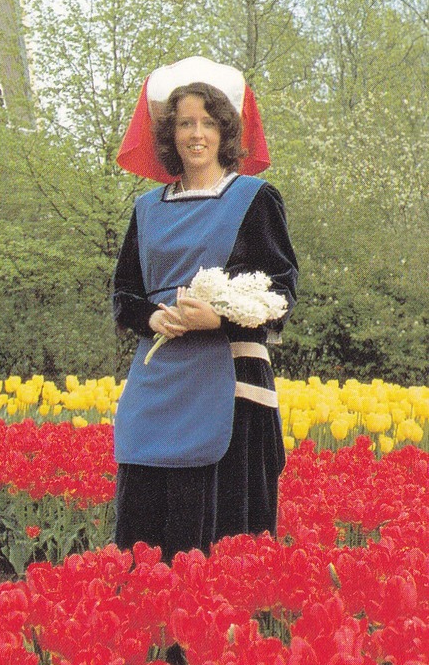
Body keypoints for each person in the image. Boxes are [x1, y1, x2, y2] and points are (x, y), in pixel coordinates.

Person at [112, 57, 298, 561]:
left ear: (226, 131)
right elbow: (124, 295)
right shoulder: (146, 209)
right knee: (145, 536)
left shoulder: (256, 200)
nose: (197, 135)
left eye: (209, 123)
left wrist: (215, 318)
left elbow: (281, 291)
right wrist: (153, 317)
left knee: (218, 549)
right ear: (169, 135)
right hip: (157, 384)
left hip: (230, 385)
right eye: (184, 124)